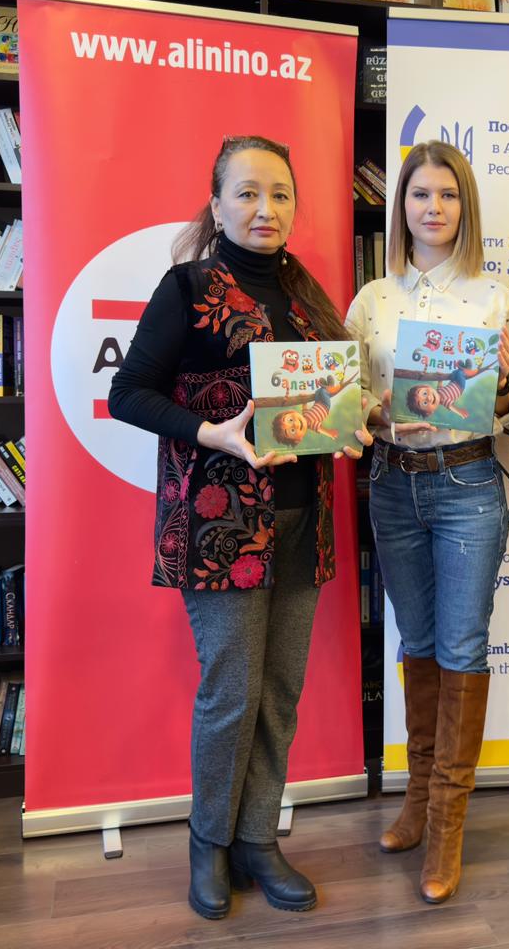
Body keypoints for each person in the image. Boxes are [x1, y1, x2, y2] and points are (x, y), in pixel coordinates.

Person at [107, 134, 368, 921]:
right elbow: (128, 392)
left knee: (280, 691)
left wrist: (356, 416)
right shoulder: (188, 287)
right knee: (232, 692)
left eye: (280, 194)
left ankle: (258, 839)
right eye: (248, 193)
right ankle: (209, 842)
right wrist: (209, 433)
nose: (265, 208)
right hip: (220, 528)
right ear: (217, 205)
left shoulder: (307, 293)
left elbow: (325, 400)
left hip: (302, 520)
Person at [345, 140, 509, 904]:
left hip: (468, 482)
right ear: (402, 206)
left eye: (448, 195)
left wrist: (505, 383)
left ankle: (448, 824)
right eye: (421, 194)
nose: (434, 207)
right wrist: (372, 409)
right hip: (391, 483)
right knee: (416, 644)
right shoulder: (370, 300)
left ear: (465, 207)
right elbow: (346, 399)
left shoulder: (497, 300)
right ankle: (416, 801)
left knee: (461, 647)